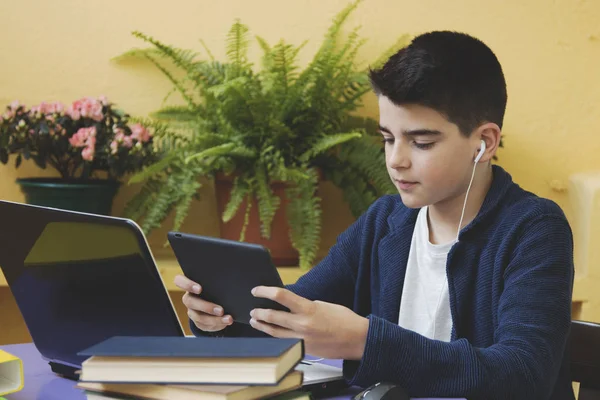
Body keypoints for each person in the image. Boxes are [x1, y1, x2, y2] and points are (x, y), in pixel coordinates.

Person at [174, 31, 575, 400]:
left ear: (484, 143)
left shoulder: (534, 229)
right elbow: (294, 311)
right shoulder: (385, 221)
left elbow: (523, 374)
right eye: (387, 138)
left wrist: (366, 342)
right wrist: (220, 317)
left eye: (420, 142)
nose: (396, 160)